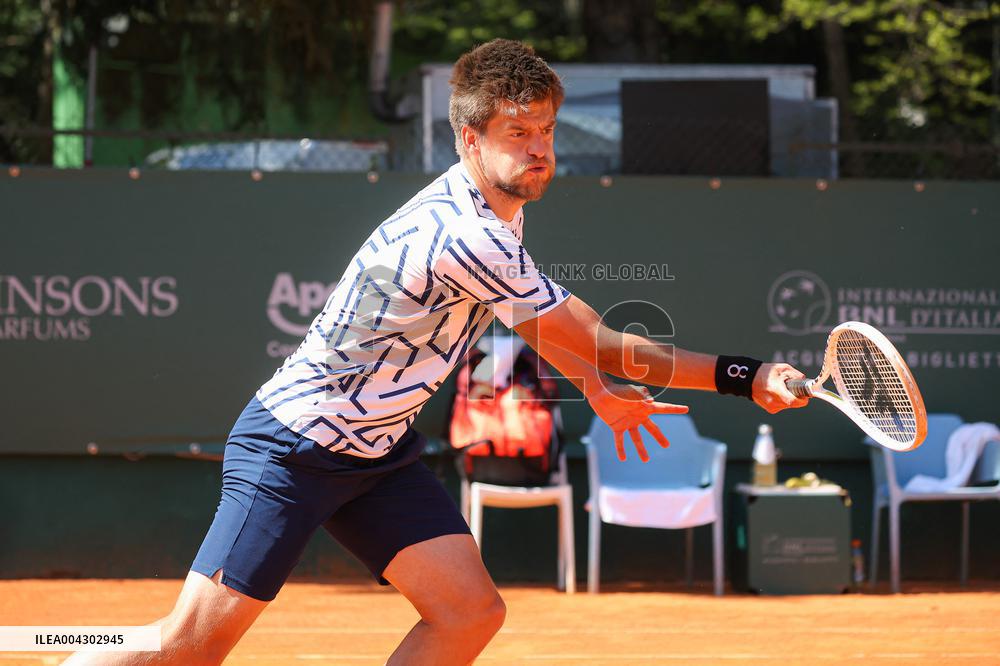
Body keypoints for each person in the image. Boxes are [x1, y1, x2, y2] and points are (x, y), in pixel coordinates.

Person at [65, 38, 807, 666]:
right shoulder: (467, 234)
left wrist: (596, 389)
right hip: (293, 448)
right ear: (469, 139)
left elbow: (542, 327)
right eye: (518, 132)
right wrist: (746, 375)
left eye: (546, 128)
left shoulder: (495, 213)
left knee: (470, 614)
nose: (540, 147)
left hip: (377, 455)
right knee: (185, 650)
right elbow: (601, 339)